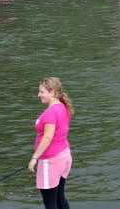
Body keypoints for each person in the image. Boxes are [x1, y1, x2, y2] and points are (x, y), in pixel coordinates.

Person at [29, 77, 74, 209]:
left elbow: (47, 137)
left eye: (42, 92)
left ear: (53, 92)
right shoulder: (63, 107)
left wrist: (34, 158)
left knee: (50, 204)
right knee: (60, 198)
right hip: (64, 156)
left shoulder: (50, 113)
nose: (39, 95)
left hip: (51, 161)